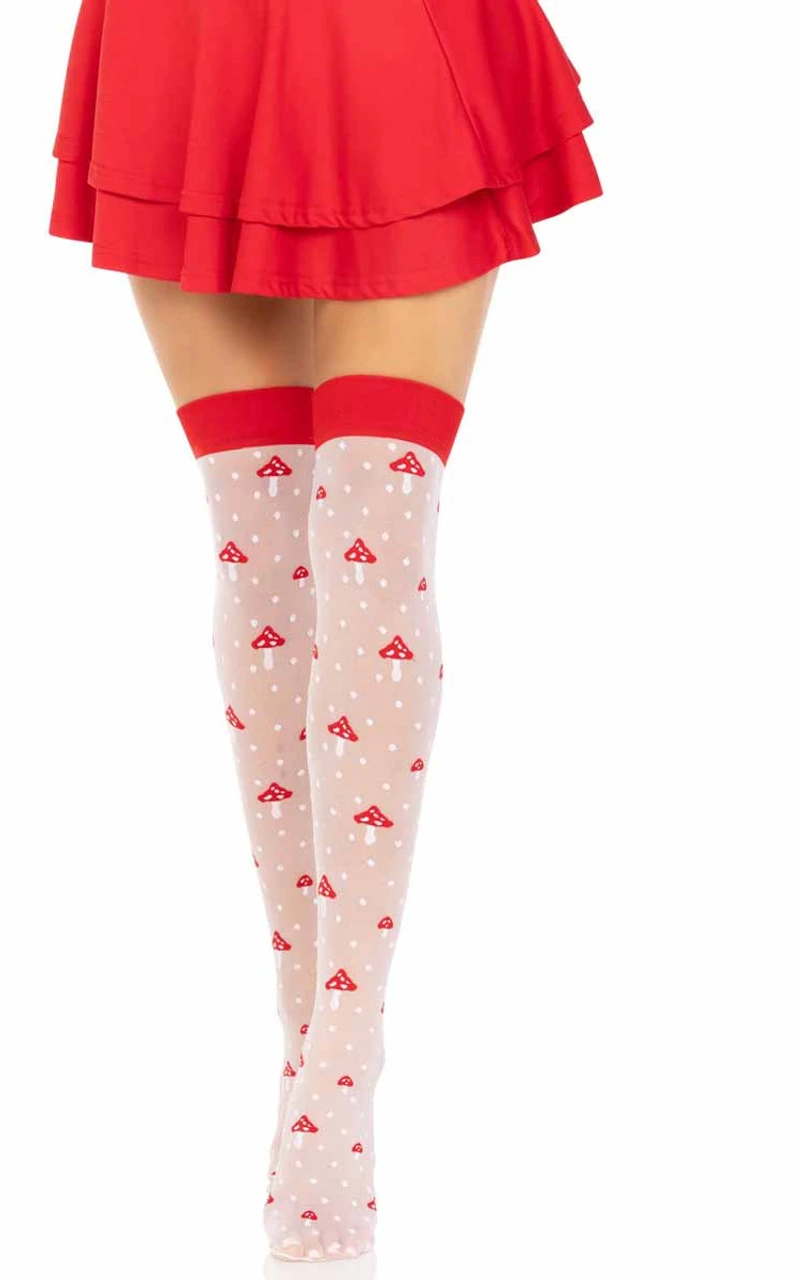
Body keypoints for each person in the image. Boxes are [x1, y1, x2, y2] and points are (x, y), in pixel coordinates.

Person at [49, 0, 601, 1269]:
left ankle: (336, 1075)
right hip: (187, 40)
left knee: (375, 516)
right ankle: (317, 1059)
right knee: (259, 541)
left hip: (385, 33)